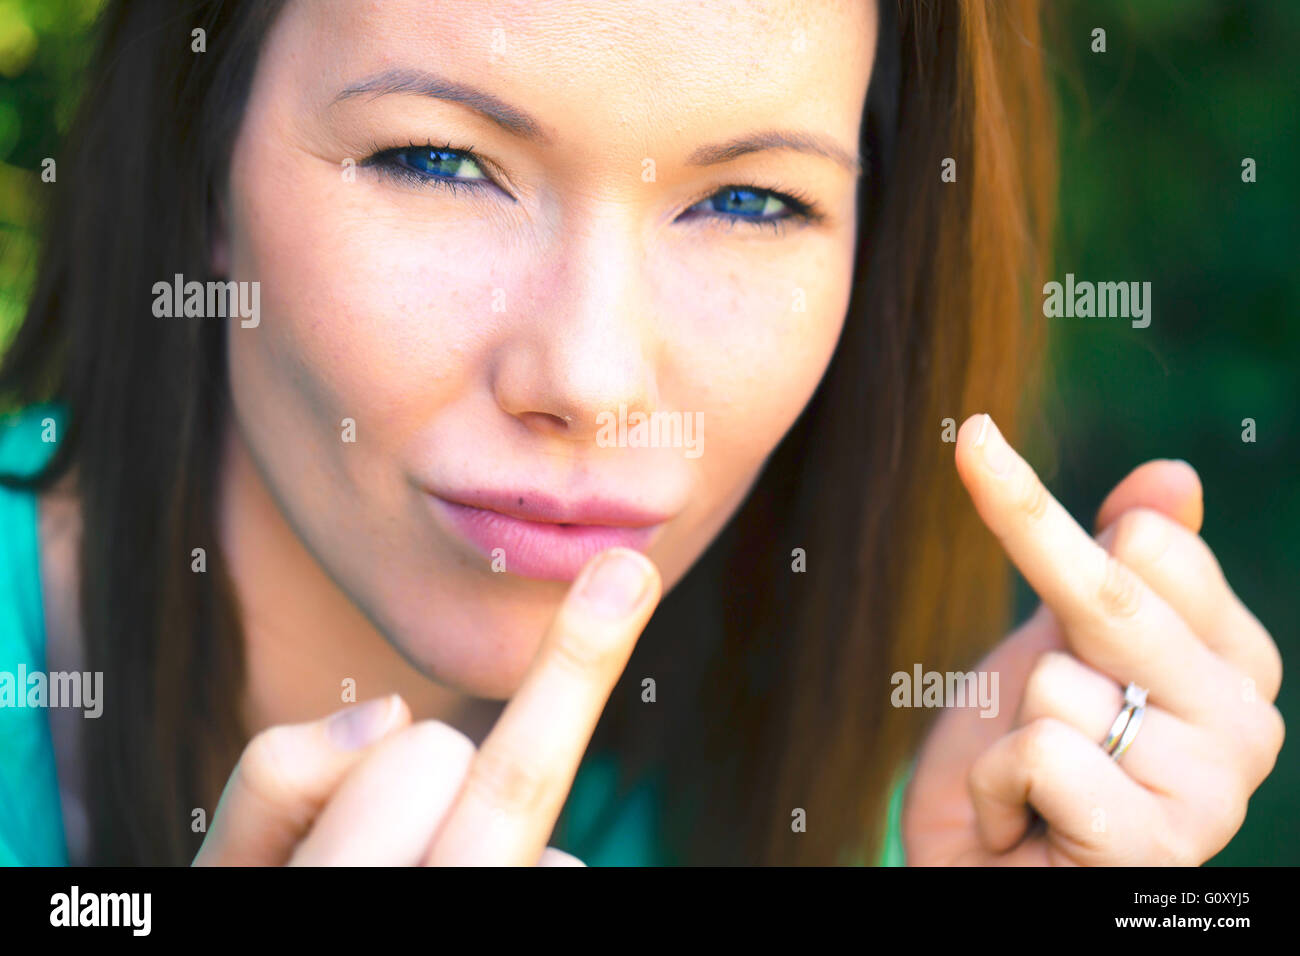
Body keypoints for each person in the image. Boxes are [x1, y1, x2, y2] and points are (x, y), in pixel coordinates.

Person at [0, 0, 1282, 866]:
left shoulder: (859, 792)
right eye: (440, 161)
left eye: (748, 197)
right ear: (200, 162)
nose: (595, 378)